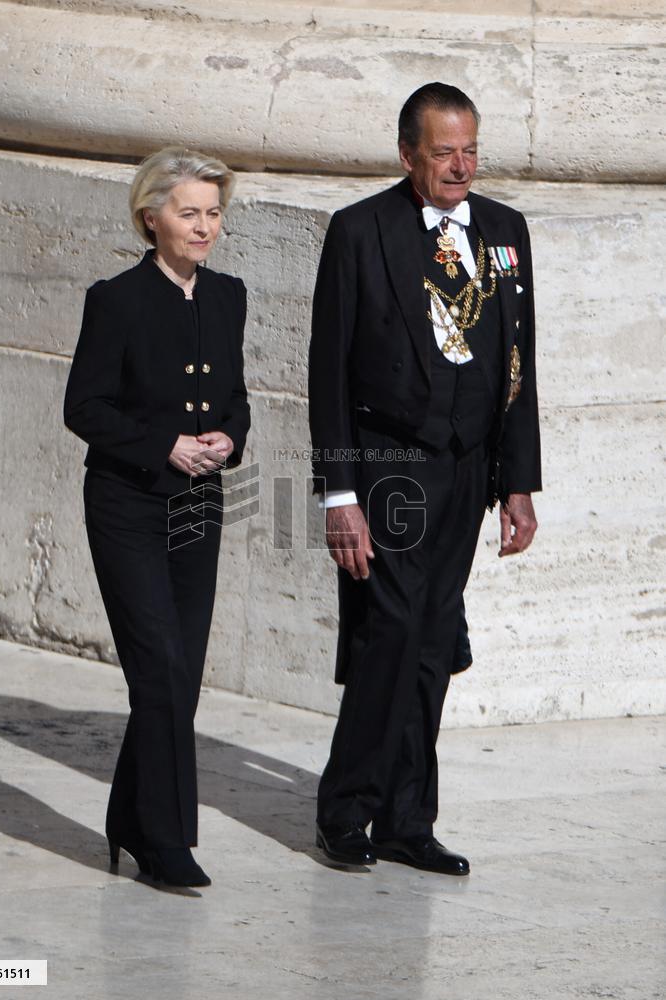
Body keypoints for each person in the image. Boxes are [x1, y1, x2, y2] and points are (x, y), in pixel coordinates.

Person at [309, 83, 541, 875]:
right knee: (392, 630)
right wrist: (338, 491)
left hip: (468, 469)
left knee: (434, 637)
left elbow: (519, 364)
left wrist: (518, 481)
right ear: (408, 154)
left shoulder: (506, 231)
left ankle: (408, 820)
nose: (460, 165)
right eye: (444, 152)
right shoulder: (360, 231)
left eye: (470, 149)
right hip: (391, 464)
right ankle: (348, 808)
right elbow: (328, 371)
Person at [64, 147, 249, 888]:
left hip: (200, 504)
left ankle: (128, 817)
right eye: (189, 212)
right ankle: (167, 840)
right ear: (152, 218)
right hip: (127, 506)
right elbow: (84, 408)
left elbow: (235, 396)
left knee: (183, 675)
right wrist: (162, 446)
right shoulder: (116, 299)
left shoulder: (230, 295)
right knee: (161, 670)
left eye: (213, 213)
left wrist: (230, 438)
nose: (204, 226)